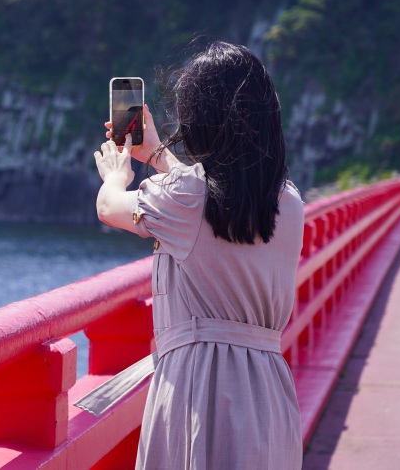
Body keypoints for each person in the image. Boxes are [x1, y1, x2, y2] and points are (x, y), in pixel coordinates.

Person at [93, 41, 304, 469]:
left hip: (200, 386)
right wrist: (155, 154)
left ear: (201, 120)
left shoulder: (187, 199)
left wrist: (117, 175)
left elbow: (108, 208)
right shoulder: (289, 202)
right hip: (268, 390)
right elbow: (216, 204)